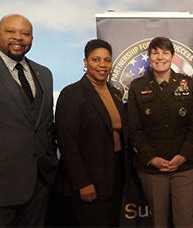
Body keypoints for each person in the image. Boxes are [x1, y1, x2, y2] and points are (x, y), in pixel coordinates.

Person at [0, 14, 58, 227]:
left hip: (39, 185)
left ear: (32, 39)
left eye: (25, 33)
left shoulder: (44, 73)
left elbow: (46, 126)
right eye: (11, 31)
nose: (18, 37)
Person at [127, 37, 193, 227]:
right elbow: (134, 129)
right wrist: (151, 158)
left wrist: (184, 155)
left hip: (185, 167)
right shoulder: (137, 87)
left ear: (172, 57)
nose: (160, 57)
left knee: (185, 221)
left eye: (165, 52)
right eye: (155, 52)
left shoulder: (188, 84)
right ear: (149, 57)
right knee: (158, 222)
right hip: (152, 168)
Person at [54, 39, 129, 227]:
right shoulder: (72, 94)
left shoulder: (115, 92)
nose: (102, 65)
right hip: (89, 182)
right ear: (85, 62)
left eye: (107, 60)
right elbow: (67, 141)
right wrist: (82, 183)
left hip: (113, 176)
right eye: (96, 60)